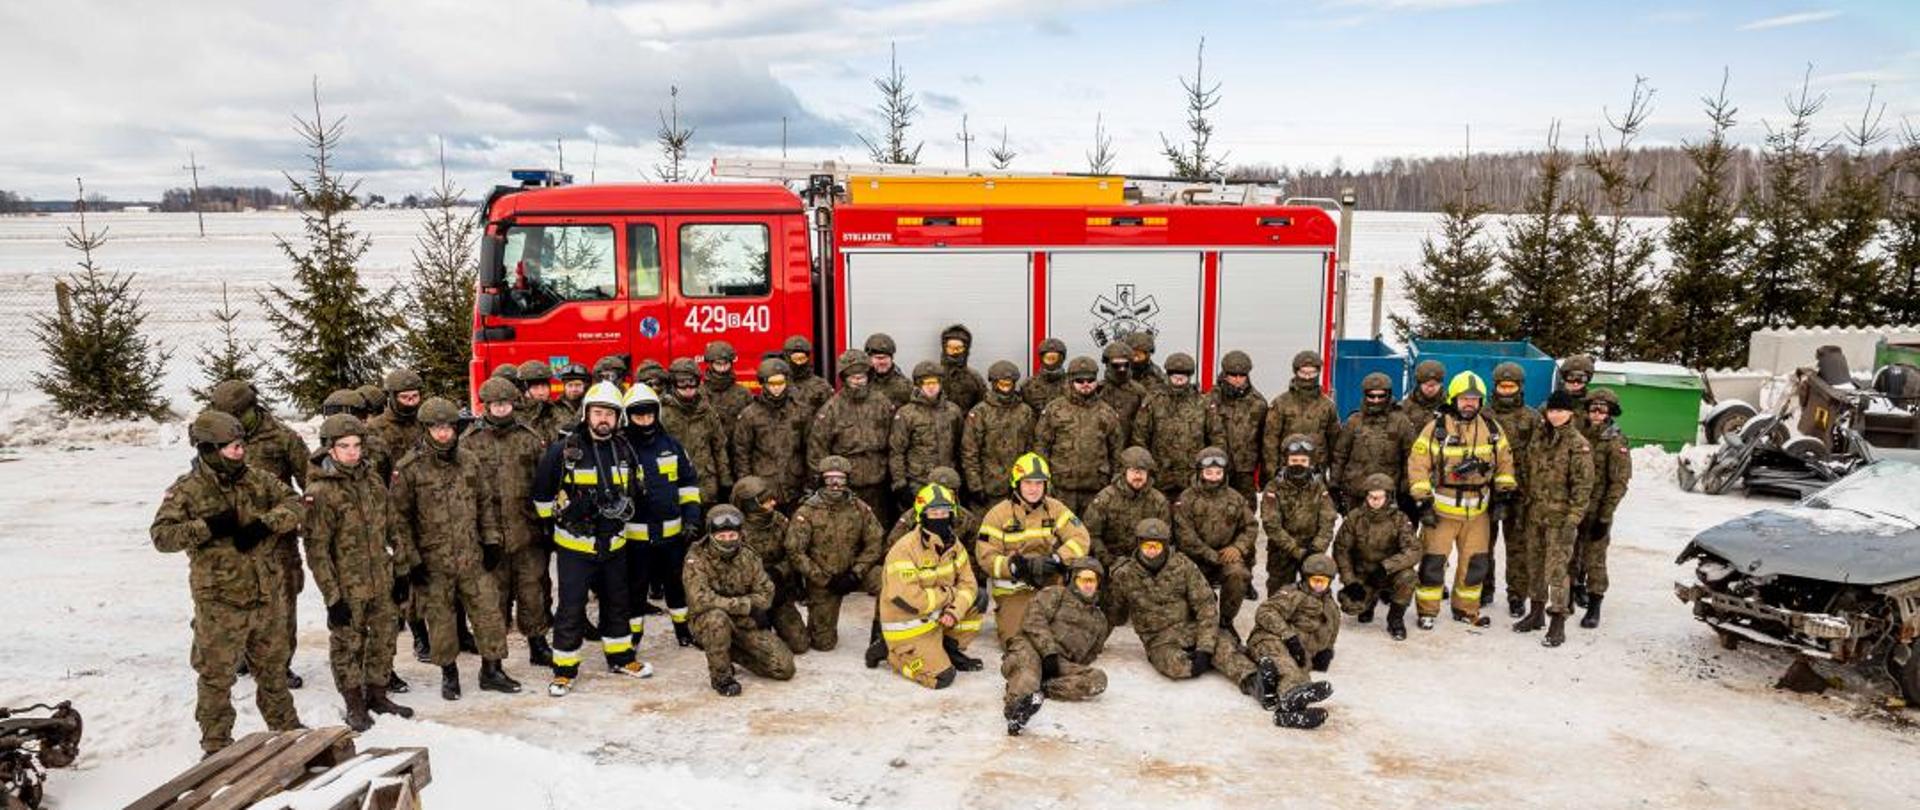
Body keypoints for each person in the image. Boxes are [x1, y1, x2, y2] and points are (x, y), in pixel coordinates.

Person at [152, 410, 308, 755]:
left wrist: (267, 523)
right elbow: (161, 537)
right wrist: (206, 527)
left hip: (264, 595)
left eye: (241, 445)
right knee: (216, 678)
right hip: (220, 604)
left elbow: (296, 503)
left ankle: (287, 731)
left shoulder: (257, 479)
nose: (240, 452)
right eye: (232, 447)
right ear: (209, 449)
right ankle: (216, 744)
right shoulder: (186, 490)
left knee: (273, 672)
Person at [392, 397, 523, 699]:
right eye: (437, 428)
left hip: (472, 556)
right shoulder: (409, 468)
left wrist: (491, 541)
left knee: (489, 613)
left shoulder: (469, 460)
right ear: (426, 429)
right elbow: (399, 520)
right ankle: (448, 673)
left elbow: (485, 504)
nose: (443, 434)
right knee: (441, 620)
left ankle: (492, 670)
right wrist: (411, 561)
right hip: (433, 561)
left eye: (449, 427)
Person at [532, 381, 653, 697]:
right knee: (571, 608)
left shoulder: (625, 450)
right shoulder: (564, 450)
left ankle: (621, 657)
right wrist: (559, 521)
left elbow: (636, 489)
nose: (603, 420)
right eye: (597, 413)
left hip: (614, 544)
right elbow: (542, 495)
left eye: (609, 415)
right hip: (575, 546)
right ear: (586, 414)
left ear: (618, 418)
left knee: (617, 603)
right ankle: (564, 671)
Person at [206, 379, 310, 690]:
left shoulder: (282, 438)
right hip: (234, 539)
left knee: (282, 603)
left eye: (237, 416)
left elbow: (310, 484)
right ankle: (242, 656)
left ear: (251, 409)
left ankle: (280, 664)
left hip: (275, 538)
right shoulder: (215, 439)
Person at [1105, 518, 1267, 707]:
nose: (1151, 550)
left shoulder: (1183, 566)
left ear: (1165, 546)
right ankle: (1204, 661)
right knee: (1173, 666)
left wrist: (1205, 648)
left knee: (1222, 648)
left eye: (1156, 545)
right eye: (1147, 545)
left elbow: (1205, 605)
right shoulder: (1124, 574)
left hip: (1191, 627)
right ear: (1138, 545)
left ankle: (1256, 683)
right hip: (1159, 638)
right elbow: (1112, 615)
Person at [1406, 372, 1517, 629]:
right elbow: (1418, 465)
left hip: (1478, 513)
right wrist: (1423, 502)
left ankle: (1466, 608)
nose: (1470, 404)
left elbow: (1505, 463)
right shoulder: (1437, 428)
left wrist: (1503, 495)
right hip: (1442, 512)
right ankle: (1427, 612)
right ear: (1454, 399)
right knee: (1433, 564)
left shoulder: (1491, 429)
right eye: (1465, 399)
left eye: (1475, 399)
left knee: (1476, 564)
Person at [463, 378, 555, 667]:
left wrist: (547, 523)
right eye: (495, 404)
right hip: (490, 535)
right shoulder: (470, 442)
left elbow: (545, 482)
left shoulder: (530, 437)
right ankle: (492, 661)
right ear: (486, 406)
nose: (501, 409)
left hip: (527, 531)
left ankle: (537, 645)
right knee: (493, 599)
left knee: (533, 592)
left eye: (505, 403)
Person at [977, 453, 1093, 646]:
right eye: (1028, 482)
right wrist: (1013, 567)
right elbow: (985, 556)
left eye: (1039, 483)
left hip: (1049, 584)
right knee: (1019, 642)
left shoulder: (1055, 509)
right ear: (1017, 484)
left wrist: (1057, 559)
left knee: (1067, 636)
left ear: (1046, 485)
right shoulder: (998, 514)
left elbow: (1081, 538)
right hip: (1013, 589)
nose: (1033, 488)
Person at [875, 483, 983, 688]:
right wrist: (949, 594)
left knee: (978, 599)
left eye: (944, 511)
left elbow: (969, 584)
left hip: (937, 618)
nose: (939, 517)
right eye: (933, 512)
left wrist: (954, 612)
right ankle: (893, 656)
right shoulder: (904, 549)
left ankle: (947, 647)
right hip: (910, 626)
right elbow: (909, 599)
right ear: (921, 515)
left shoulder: (954, 544)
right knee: (942, 678)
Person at [622, 383, 704, 648]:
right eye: (638, 416)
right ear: (627, 416)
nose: (645, 421)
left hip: (672, 536)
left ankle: (682, 629)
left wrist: (692, 519)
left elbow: (689, 485)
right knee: (635, 590)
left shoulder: (671, 445)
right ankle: (634, 635)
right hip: (635, 539)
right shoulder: (620, 448)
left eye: (649, 415)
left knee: (676, 587)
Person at [683, 505, 797, 696]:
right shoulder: (696, 558)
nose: (727, 541)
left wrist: (749, 608)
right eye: (721, 536)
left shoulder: (749, 556)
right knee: (716, 619)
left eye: (732, 535)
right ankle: (722, 677)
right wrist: (746, 605)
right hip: (708, 622)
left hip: (744, 622)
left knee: (784, 668)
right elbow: (701, 599)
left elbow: (766, 592)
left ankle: (729, 651)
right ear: (711, 534)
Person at [1512, 390, 1593, 648]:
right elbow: (1526, 470)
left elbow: (1583, 486)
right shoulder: (1539, 438)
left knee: (1557, 571)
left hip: (1561, 519)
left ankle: (1557, 621)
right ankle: (1536, 613)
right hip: (1535, 514)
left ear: (1570, 413)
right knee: (1534, 565)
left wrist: (1573, 519)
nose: (1555, 415)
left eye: (1561, 410)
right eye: (1552, 410)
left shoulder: (1577, 444)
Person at [1001, 557, 1111, 736]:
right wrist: (1049, 653)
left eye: (1093, 580)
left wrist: (1066, 666)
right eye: (1083, 579)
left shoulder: (1100, 620)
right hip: (1031, 648)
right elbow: (1033, 621)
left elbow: (1092, 653)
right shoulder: (1055, 594)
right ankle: (1017, 713)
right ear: (1073, 579)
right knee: (1027, 676)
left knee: (1098, 679)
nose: (1088, 585)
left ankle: (1043, 690)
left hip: (1059, 661)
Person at [786, 455, 886, 652]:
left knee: (889, 581)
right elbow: (795, 551)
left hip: (855, 573)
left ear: (847, 480)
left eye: (840, 478)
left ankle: (882, 631)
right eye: (830, 478)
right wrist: (823, 579)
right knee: (823, 643)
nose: (835, 484)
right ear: (821, 480)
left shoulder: (860, 508)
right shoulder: (807, 511)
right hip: (825, 580)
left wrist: (857, 571)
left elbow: (875, 540)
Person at [1244, 555, 1339, 730]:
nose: (1318, 585)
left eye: (1323, 581)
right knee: (1286, 666)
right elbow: (1265, 611)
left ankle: (1288, 714)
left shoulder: (1331, 608)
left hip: (1299, 652)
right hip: (1271, 639)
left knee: (1300, 676)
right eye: (1315, 580)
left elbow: (1331, 632)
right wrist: (1289, 636)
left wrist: (1326, 650)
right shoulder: (1293, 594)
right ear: (1306, 578)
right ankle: (1291, 695)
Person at [1172, 447, 1259, 631]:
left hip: (1225, 557)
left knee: (1238, 574)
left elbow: (1250, 526)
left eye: (1218, 472)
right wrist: (1210, 554)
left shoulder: (1235, 498)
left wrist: (1238, 547)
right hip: (1194, 559)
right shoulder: (1186, 499)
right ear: (1200, 472)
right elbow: (1184, 535)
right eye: (1208, 472)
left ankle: (1226, 622)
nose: (1213, 477)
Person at [808, 349, 895, 521]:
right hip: (845, 485)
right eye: (853, 377)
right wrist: (822, 482)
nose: (858, 381)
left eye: (862, 377)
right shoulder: (831, 409)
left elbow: (896, 442)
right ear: (844, 378)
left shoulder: (882, 403)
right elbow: (817, 448)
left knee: (878, 528)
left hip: (879, 484)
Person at [1332, 474, 1421, 640]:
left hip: (1388, 572)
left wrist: (1386, 567)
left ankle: (1395, 619)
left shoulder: (1399, 519)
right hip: (1363, 573)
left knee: (1408, 577)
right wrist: (1350, 581)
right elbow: (1341, 550)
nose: (1375, 501)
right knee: (1351, 605)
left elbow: (1414, 550)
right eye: (1371, 496)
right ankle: (1369, 603)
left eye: (1379, 497)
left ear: (1388, 497)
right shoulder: (1354, 518)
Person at [1035, 356, 1125, 515]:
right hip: (1061, 489)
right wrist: (1044, 482)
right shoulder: (1054, 410)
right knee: (1060, 533)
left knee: (1091, 534)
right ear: (1070, 381)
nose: (1085, 384)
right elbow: (1041, 447)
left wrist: (1113, 484)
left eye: (1090, 380)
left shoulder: (1107, 412)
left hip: (1097, 489)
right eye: (1080, 380)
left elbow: (1116, 451)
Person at [1487, 362, 1543, 618]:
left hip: (1520, 494)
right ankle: (1484, 588)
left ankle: (1516, 594)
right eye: (1502, 386)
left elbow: (1540, 457)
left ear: (1519, 388)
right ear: (1495, 387)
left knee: (1518, 546)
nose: (1506, 391)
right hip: (1486, 491)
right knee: (1482, 544)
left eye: (1511, 386)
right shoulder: (1484, 415)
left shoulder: (1531, 418)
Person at [1575, 387, 1632, 629]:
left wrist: (1605, 516)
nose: (1597, 413)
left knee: (1594, 559)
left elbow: (1619, 483)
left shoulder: (1615, 440)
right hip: (1575, 507)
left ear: (1610, 412)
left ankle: (1594, 605)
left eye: (1602, 409)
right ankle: (1571, 593)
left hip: (1597, 510)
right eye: (1592, 409)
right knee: (1569, 555)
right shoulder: (1577, 434)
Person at [733, 476, 809, 654]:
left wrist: (779, 572)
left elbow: (794, 553)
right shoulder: (734, 529)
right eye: (766, 501)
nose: (773, 503)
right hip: (751, 595)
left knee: (800, 644)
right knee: (764, 646)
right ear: (751, 504)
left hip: (779, 589)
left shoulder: (779, 521)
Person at [1260, 434, 1338, 595]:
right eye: (1294, 461)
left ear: (1311, 463)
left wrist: (1317, 547)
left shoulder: (1319, 486)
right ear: (1286, 461)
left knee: (1315, 594)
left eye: (1303, 461)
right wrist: (1296, 551)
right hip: (1282, 550)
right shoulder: (1274, 487)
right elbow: (1271, 524)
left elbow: (1328, 520)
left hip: (1312, 548)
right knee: (1279, 595)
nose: (1299, 465)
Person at [1330, 372, 1415, 516]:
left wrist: (1405, 490)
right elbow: (1340, 455)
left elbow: (1410, 457)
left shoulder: (1401, 422)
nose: (1376, 400)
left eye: (1381, 396)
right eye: (1371, 396)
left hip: (1387, 492)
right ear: (1365, 395)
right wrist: (1334, 485)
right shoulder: (1354, 421)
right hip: (1356, 492)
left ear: (1388, 395)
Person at [732, 359, 811, 507]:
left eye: (780, 383)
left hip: (796, 488)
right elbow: (742, 455)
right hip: (764, 491)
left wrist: (810, 484)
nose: (777, 388)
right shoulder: (750, 415)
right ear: (763, 383)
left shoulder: (800, 411)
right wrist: (749, 489)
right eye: (772, 384)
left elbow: (811, 449)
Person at [888, 360, 964, 514]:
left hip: (947, 481)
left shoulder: (953, 411)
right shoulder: (906, 413)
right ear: (918, 384)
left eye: (934, 382)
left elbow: (960, 446)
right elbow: (896, 451)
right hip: (918, 483)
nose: (931, 386)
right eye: (926, 383)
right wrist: (900, 484)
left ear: (941, 383)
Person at [1133, 352, 1209, 502]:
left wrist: (1206, 470)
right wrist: (1147, 468)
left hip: (1192, 478)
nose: (1179, 379)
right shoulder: (1153, 400)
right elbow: (1139, 437)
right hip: (1159, 477)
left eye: (1184, 375)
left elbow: (1216, 437)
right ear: (1168, 375)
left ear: (1190, 376)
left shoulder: (1203, 403)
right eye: (1174, 375)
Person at [1082, 446, 1171, 573]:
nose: (1138, 476)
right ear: (1124, 472)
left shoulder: (1158, 501)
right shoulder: (1105, 498)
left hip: (1149, 564)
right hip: (1112, 565)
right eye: (1134, 471)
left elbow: (1165, 537)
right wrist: (1110, 562)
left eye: (1142, 471)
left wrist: (1151, 561)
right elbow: (1091, 534)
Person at [961, 360, 1037, 508]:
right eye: (1002, 384)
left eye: (1009, 384)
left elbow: (1032, 448)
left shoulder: (1025, 412)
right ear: (994, 384)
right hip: (989, 487)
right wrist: (975, 486)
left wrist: (1031, 482)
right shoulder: (980, 412)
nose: (1005, 389)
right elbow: (969, 451)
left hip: (1019, 485)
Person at [663, 357, 731, 505]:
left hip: (706, 486)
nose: (688, 387)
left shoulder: (707, 412)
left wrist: (725, 481)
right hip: (675, 486)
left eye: (692, 382)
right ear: (673, 384)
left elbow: (719, 447)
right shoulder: (663, 414)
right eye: (682, 382)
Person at [1204, 350, 1268, 501]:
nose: (1238, 380)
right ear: (1225, 374)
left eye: (1242, 375)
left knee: (1245, 509)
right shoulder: (1210, 399)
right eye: (1233, 375)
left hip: (1245, 470)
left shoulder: (1257, 403)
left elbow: (1265, 440)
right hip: (1215, 467)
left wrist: (1264, 473)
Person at [1262, 351, 1338, 477]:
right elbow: (1270, 440)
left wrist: (1333, 475)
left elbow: (1335, 442)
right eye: (1303, 373)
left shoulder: (1328, 406)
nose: (1307, 377)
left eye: (1312, 373)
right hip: (1286, 469)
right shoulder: (1281, 403)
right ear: (1296, 372)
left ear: (1318, 372)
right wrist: (1273, 472)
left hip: (1316, 471)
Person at [370, 369, 427, 481]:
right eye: (405, 397)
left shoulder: (426, 422)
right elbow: (375, 476)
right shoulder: (376, 428)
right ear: (392, 398)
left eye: (415, 396)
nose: (411, 402)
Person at [1097, 340, 1149, 436]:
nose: (1121, 369)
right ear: (1107, 365)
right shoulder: (1098, 390)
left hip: (1131, 445)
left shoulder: (1139, 391)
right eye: (1116, 365)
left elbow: (1145, 425)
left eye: (1125, 365)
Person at [701, 340, 754, 426]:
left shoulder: (743, 394)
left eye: (726, 363)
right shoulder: (699, 393)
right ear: (710, 364)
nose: (722, 368)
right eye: (718, 364)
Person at [938, 323, 989, 413]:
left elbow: (983, 405)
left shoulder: (974, 377)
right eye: (950, 347)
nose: (954, 352)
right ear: (944, 348)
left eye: (958, 348)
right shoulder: (935, 375)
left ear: (965, 349)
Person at [781, 335, 833, 414]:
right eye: (795, 359)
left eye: (802, 358)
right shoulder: (776, 384)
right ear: (787, 358)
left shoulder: (821, 386)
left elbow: (830, 417)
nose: (798, 363)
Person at [1019, 337, 1071, 413]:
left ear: (1062, 359)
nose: (1051, 362)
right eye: (1048, 358)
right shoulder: (1028, 385)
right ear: (1041, 358)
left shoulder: (1073, 383)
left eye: (1054, 358)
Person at [863, 332, 914, 407]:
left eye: (885, 357)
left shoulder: (905, 386)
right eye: (878, 358)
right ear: (869, 358)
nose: (882, 362)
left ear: (891, 358)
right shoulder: (860, 383)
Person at [551, 362, 593, 439]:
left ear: (585, 386)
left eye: (578, 385)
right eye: (570, 385)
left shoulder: (592, 406)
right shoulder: (553, 408)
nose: (574, 389)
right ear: (564, 386)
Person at [1399, 359, 1448, 425]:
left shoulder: (1449, 406)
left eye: (1435, 385)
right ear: (1419, 384)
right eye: (1426, 385)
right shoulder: (1404, 407)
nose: (1430, 389)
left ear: (1441, 384)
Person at [516, 359, 557, 433]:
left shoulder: (558, 411)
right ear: (524, 390)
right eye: (535, 388)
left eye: (544, 386)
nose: (541, 392)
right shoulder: (515, 417)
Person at [1558, 354, 1597, 429]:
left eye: (1581, 378)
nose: (1575, 383)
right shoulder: (1552, 403)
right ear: (1564, 377)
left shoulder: (1596, 405)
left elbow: (1612, 434)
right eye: (1571, 377)